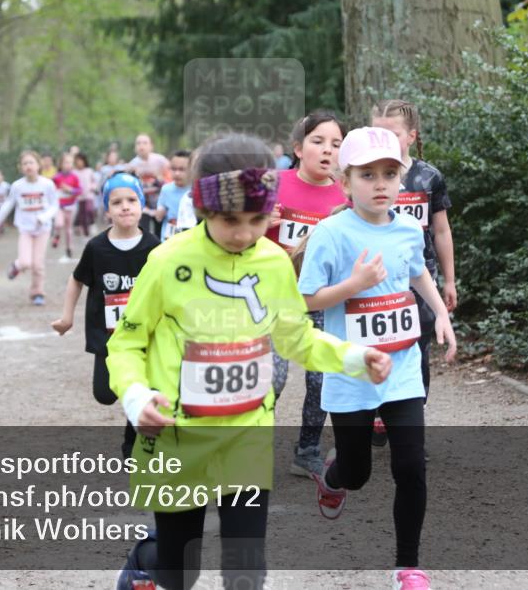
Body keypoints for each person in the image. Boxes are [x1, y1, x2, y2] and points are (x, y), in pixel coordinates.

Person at [109, 134, 393, 590]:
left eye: (258, 219)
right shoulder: (165, 262)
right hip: (177, 440)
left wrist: (356, 357)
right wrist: (136, 396)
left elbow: (296, 338)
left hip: (245, 439)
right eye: (229, 220)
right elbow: (126, 344)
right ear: (202, 209)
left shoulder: (274, 263)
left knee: (245, 571)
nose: (243, 233)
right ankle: (146, 561)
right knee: (179, 569)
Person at [298, 127, 457, 590]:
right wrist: (355, 284)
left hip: (403, 367)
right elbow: (307, 298)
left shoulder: (408, 227)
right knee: (358, 473)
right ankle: (333, 477)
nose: (381, 183)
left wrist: (441, 314)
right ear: (345, 183)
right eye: (368, 175)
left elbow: (417, 274)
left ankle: (408, 567)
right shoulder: (330, 233)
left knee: (410, 466)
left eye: (390, 173)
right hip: (351, 373)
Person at [264, 110, 348, 478]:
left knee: (321, 377)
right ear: (298, 148)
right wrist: (259, 223)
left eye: (336, 144)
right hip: (272, 298)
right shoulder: (273, 184)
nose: (327, 151)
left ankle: (308, 448)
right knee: (273, 378)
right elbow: (229, 231)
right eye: (318, 142)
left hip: (319, 298)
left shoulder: (345, 194)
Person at [50, 172, 159, 458]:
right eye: (117, 201)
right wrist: (67, 318)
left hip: (144, 336)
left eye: (132, 200)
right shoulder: (97, 247)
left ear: (142, 204)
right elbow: (77, 280)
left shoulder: (155, 248)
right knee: (105, 393)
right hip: (107, 336)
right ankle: (132, 414)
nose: (125, 206)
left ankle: (131, 440)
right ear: (107, 209)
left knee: (140, 384)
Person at [372, 99, 456, 417]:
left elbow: (442, 231)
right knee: (378, 343)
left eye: (392, 133)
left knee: (417, 347)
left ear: (411, 136)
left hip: (420, 277)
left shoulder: (428, 177)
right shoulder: (363, 177)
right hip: (376, 276)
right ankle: (377, 411)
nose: (383, 140)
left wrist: (449, 280)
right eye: (376, 133)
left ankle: (410, 418)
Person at [0, 151, 58, 306]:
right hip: (25, 229)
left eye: (31, 162)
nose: (28, 166)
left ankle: (37, 293)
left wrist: (44, 217)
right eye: (25, 163)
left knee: (38, 265)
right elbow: (8, 205)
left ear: (38, 165)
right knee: (26, 262)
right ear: (20, 167)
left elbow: (54, 205)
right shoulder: (17, 186)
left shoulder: (47, 184)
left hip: (43, 229)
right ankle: (17, 266)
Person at [128, 133, 170, 237]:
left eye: (145, 143)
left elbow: (170, 176)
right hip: (143, 203)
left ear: (151, 146)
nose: (141, 146)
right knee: (143, 230)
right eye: (138, 143)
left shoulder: (161, 161)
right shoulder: (132, 164)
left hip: (159, 201)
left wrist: (161, 179)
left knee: (159, 231)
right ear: (135, 147)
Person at [154, 150, 191, 241]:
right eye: (174, 169)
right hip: (169, 237)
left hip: (190, 236)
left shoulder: (196, 190)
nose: (177, 173)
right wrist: (159, 212)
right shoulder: (166, 189)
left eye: (182, 169)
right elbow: (160, 212)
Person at [52, 153, 82, 263]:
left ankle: (69, 249)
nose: (68, 165)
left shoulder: (74, 177)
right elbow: (50, 189)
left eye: (70, 162)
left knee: (69, 230)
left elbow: (79, 190)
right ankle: (56, 235)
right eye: (66, 162)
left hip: (71, 206)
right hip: (59, 206)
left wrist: (70, 190)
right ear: (61, 164)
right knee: (59, 223)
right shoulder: (56, 177)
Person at [73, 153, 97, 238]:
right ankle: (85, 232)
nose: (79, 163)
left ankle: (92, 223)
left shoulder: (89, 171)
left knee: (89, 209)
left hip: (89, 195)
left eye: (81, 161)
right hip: (79, 197)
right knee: (82, 214)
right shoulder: (74, 172)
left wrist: (92, 187)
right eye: (77, 161)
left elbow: (94, 181)